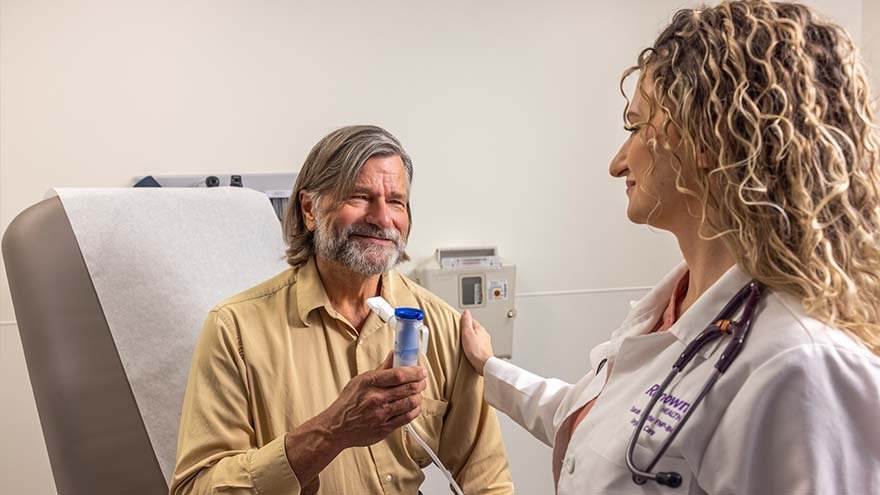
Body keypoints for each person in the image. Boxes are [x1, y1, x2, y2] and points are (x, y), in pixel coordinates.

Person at [460, 2, 880, 494]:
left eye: (637, 128)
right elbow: (598, 427)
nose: (618, 163)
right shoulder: (671, 311)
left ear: (706, 139)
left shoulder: (802, 368)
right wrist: (489, 368)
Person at [171, 125, 513, 494]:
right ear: (309, 209)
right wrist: (332, 431)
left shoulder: (443, 327)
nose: (383, 219)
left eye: (396, 201)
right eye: (360, 197)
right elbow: (196, 488)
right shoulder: (234, 330)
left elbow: (487, 482)